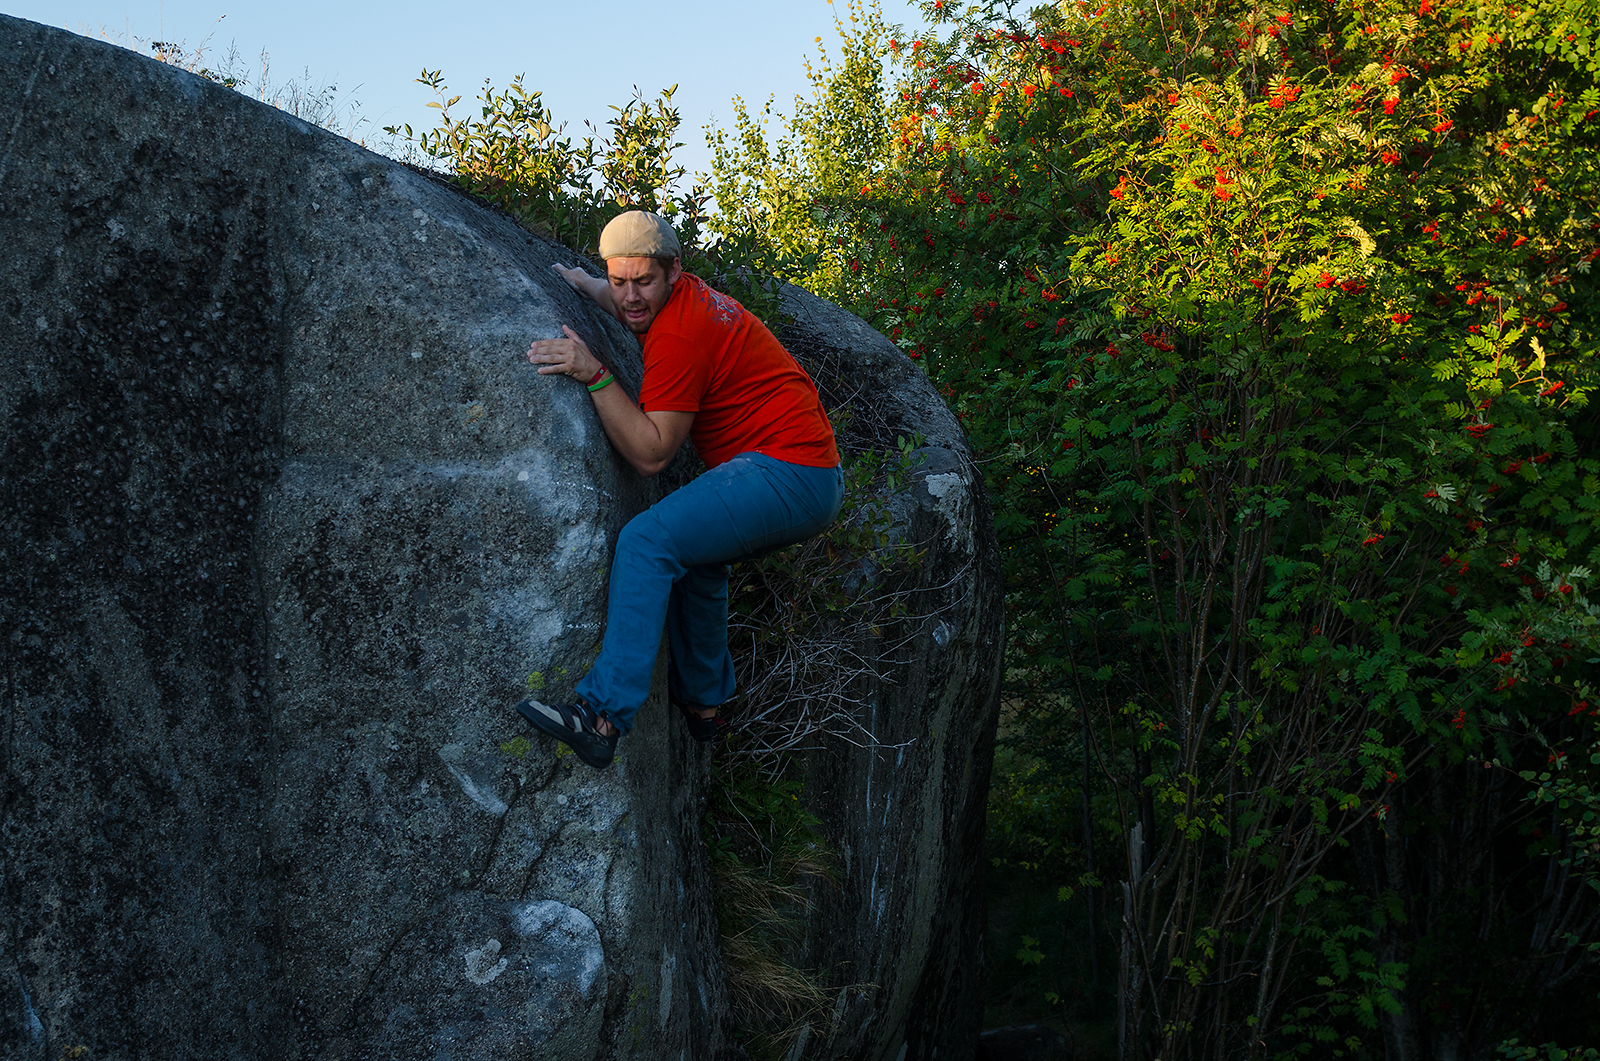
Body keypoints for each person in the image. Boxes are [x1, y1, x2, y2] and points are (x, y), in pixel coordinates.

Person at [516, 211, 842, 768]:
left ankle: (600, 717)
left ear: (674, 271)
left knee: (648, 542)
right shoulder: (679, 297)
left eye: (643, 280)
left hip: (790, 472)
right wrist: (585, 284)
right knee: (701, 558)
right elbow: (625, 297)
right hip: (806, 472)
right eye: (619, 280)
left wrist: (593, 373)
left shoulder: (680, 334)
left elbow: (652, 453)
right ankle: (705, 702)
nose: (630, 296)